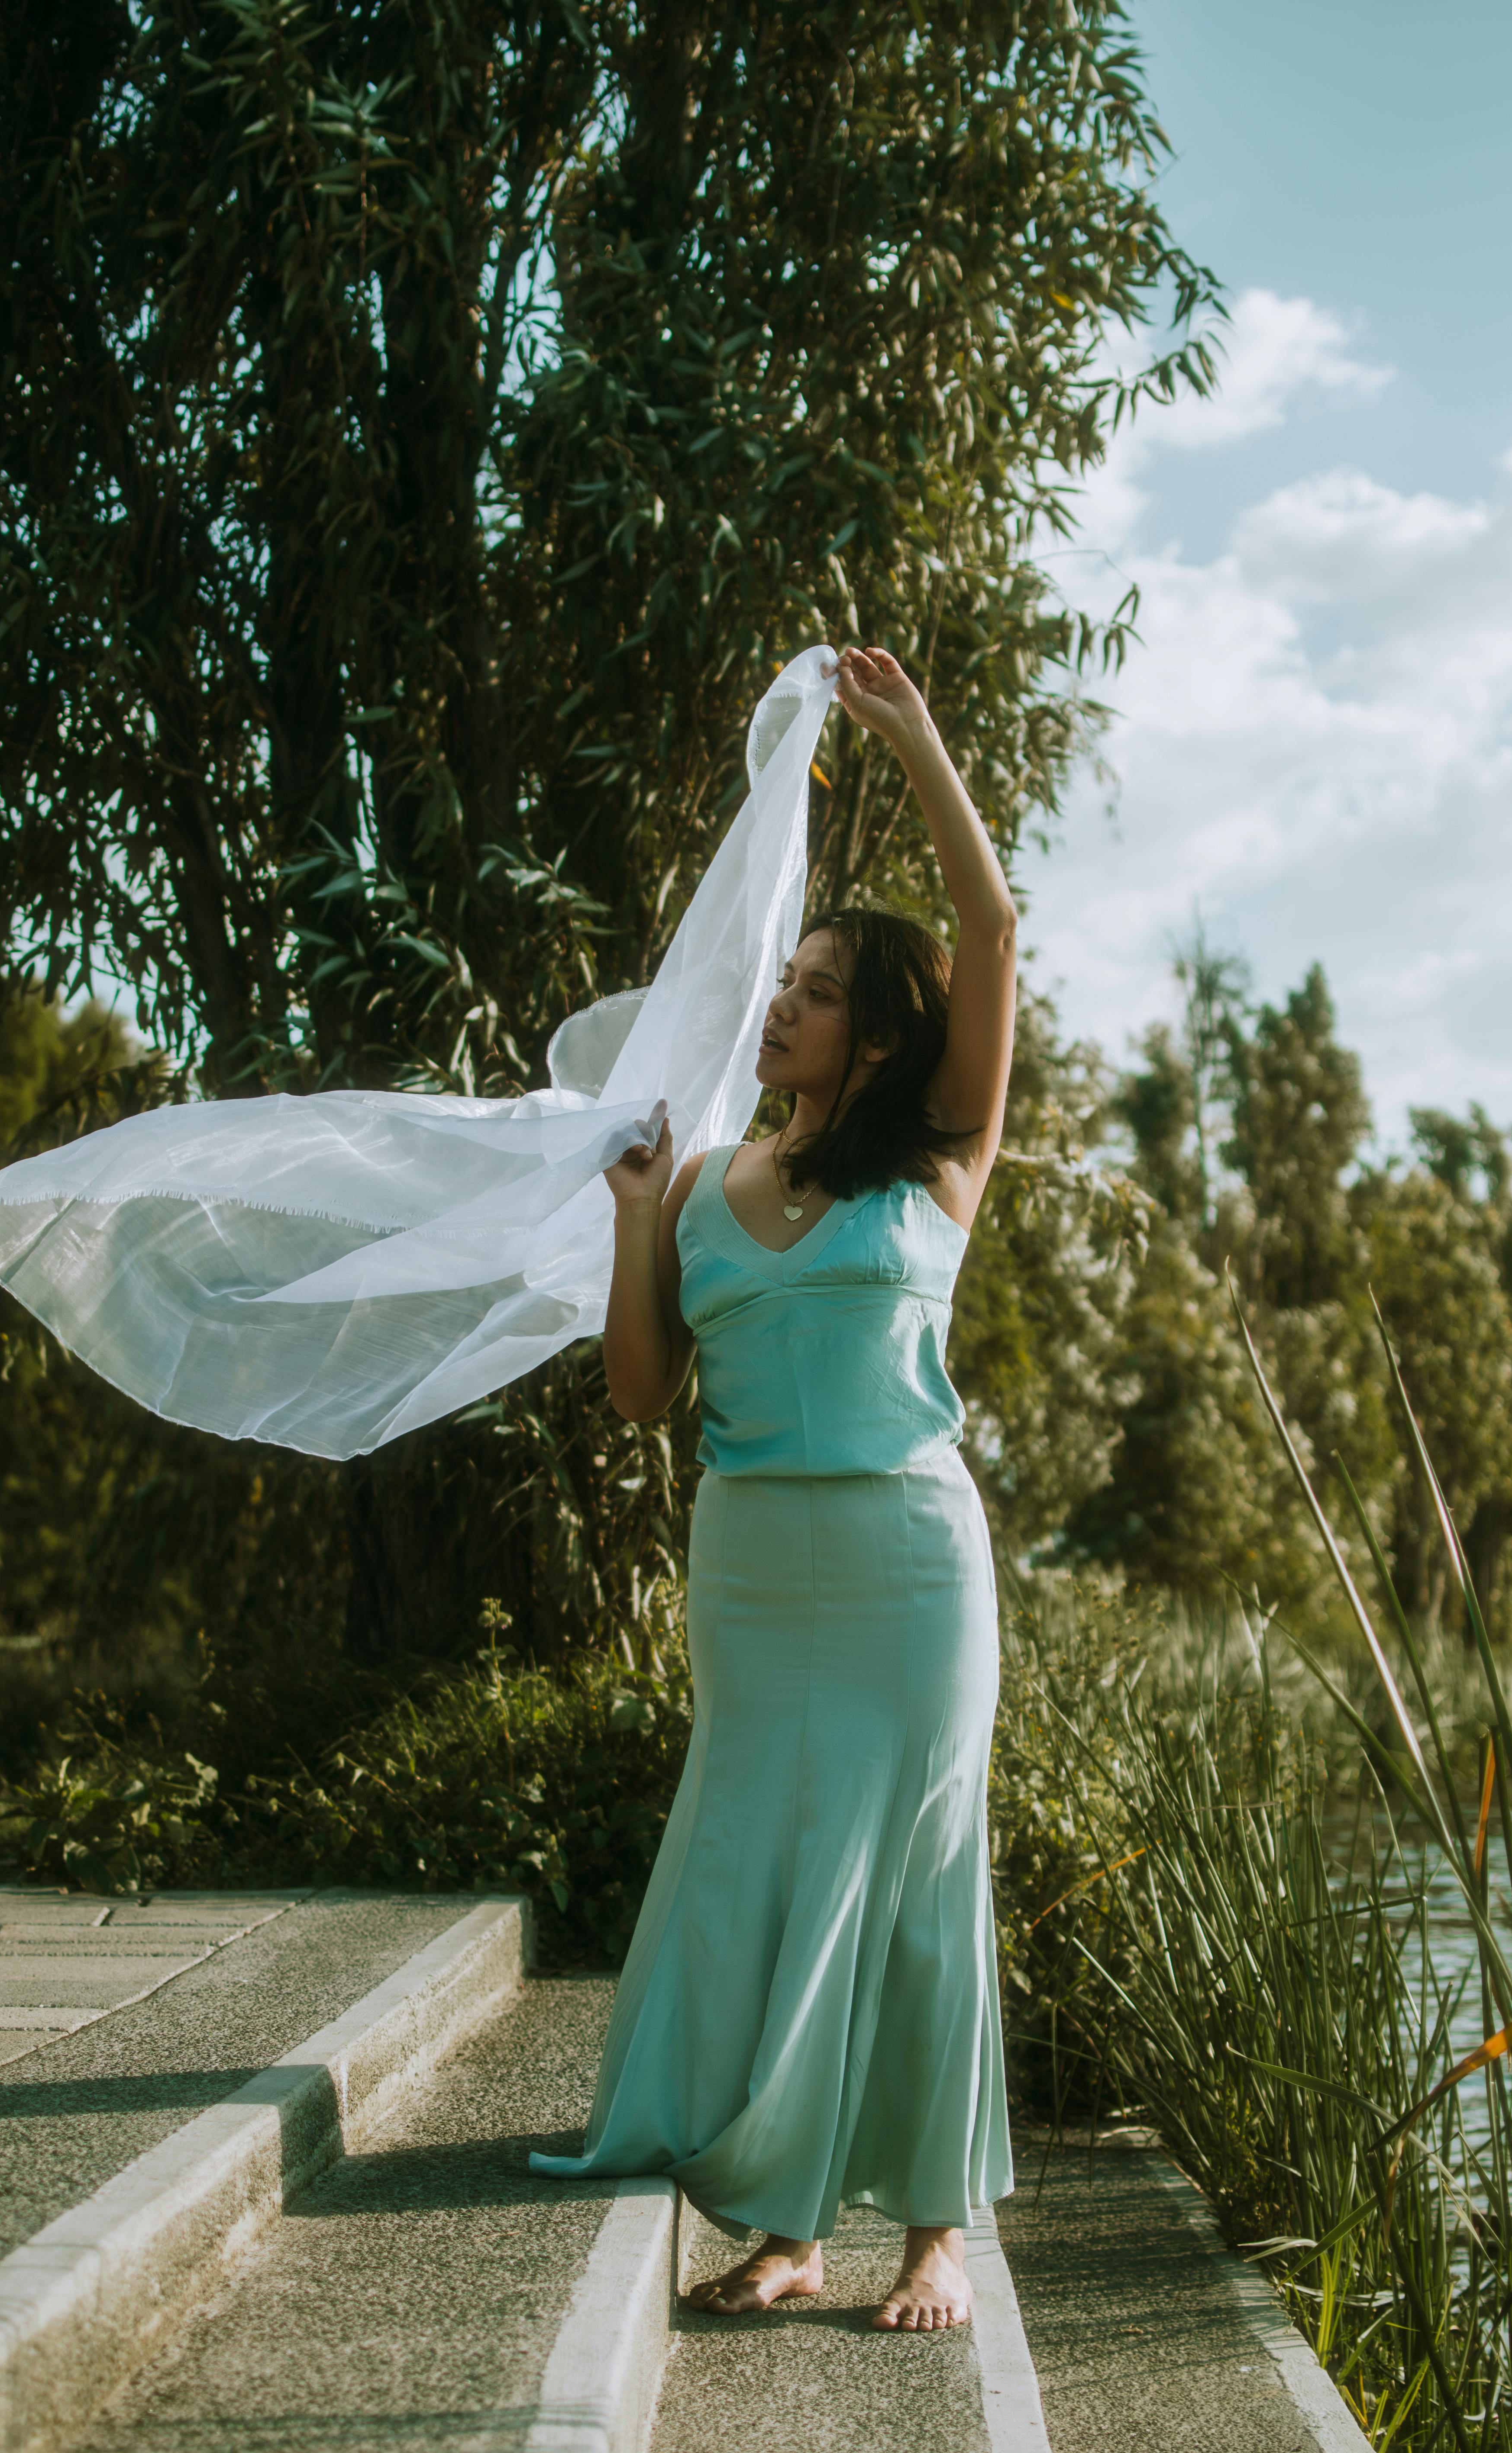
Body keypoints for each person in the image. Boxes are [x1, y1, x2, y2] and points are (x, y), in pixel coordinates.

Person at [530, 645, 1018, 2331]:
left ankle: (936, 2233)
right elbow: (648, 1392)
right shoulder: (710, 1176)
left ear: (880, 1029)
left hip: (908, 1566)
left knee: (916, 1871)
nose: (783, 1005)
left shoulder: (943, 1155)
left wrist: (920, 742)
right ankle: (784, 2219)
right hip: (751, 1566)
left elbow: (995, 936)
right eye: (784, 982)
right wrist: (629, 1220)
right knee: (762, 1858)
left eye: (815, 988)